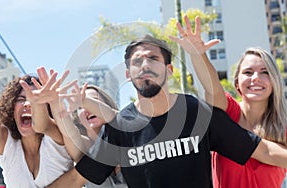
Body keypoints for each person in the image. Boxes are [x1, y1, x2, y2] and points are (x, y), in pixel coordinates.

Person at [48, 31, 287, 188]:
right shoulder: (120, 127)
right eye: (137, 61)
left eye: (153, 58)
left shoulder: (197, 113)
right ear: (128, 74)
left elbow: (262, 150)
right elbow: (78, 177)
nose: (145, 65)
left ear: (169, 69)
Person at [170, 15, 287, 188]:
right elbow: (212, 87)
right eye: (248, 72)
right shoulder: (229, 113)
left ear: (274, 81)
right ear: (237, 83)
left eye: (265, 72)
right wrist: (198, 54)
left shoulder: (283, 126)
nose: (256, 78)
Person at [20, 67, 127, 188]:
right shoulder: (86, 148)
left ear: (107, 105)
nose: (86, 109)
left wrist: (84, 100)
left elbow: (115, 118)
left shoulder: (129, 132)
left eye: (93, 101)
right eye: (80, 107)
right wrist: (55, 102)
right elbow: (70, 134)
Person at [0, 74, 73, 188]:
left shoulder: (56, 136)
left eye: (37, 99)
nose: (28, 104)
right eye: (21, 99)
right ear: (11, 108)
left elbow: (43, 125)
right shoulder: (8, 146)